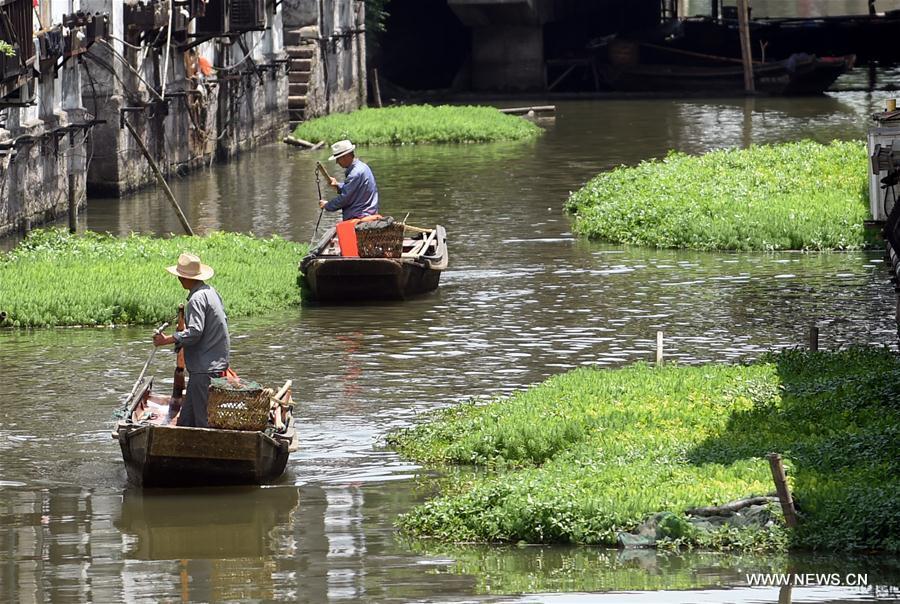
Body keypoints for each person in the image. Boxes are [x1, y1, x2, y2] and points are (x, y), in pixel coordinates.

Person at [153, 253, 230, 428]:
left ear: (186, 278)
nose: (179, 279)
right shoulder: (210, 292)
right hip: (209, 365)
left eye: (181, 276)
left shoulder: (196, 299)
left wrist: (167, 340)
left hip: (206, 369)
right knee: (186, 420)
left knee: (204, 422)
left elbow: (195, 332)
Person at [319, 139, 380, 221]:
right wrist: (338, 185)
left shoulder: (354, 174)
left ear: (345, 156)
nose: (337, 162)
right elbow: (353, 189)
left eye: (338, 158)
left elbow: (344, 199)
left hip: (359, 216)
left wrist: (327, 205)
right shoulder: (363, 167)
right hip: (369, 213)